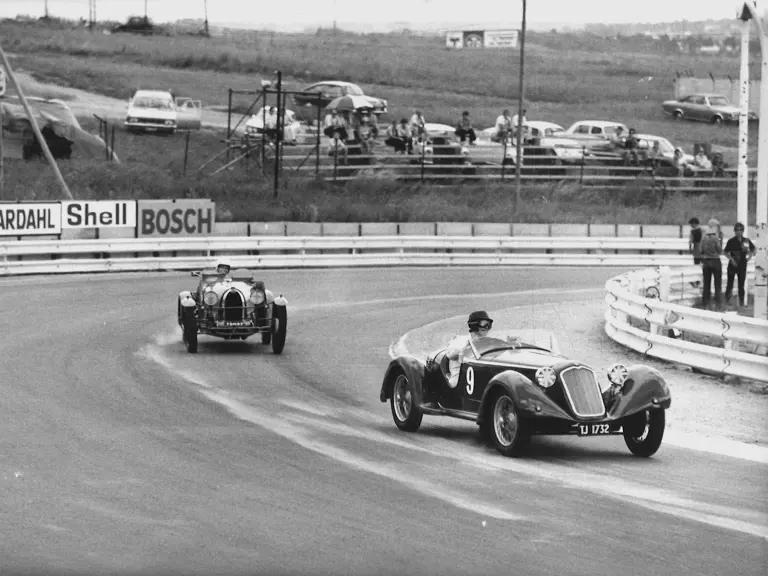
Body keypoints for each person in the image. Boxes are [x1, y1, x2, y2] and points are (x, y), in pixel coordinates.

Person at [437, 311, 494, 389]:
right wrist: (463, 351)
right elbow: (450, 355)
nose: (487, 327)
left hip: (479, 378)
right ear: (474, 325)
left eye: (489, 324)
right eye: (484, 324)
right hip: (459, 382)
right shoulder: (461, 341)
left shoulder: (489, 342)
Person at [724, 222, 756, 307]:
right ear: (734, 231)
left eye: (740, 230)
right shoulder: (731, 241)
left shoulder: (746, 240)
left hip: (742, 265)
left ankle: (741, 303)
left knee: (741, 285)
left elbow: (753, 249)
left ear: (743, 231)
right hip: (732, 265)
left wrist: (749, 257)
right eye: (737, 230)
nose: (739, 231)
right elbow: (725, 252)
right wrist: (731, 259)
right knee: (729, 284)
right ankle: (727, 302)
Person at [699, 218, 723, 310]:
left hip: (706, 261)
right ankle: (718, 304)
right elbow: (719, 250)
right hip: (715, 261)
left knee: (706, 284)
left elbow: (701, 250)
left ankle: (705, 304)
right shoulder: (715, 237)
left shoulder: (704, 237)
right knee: (717, 284)